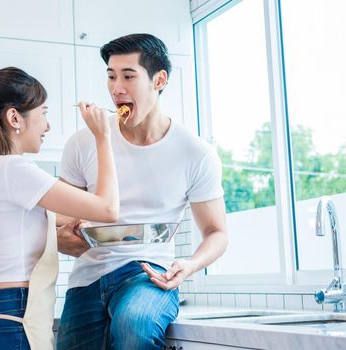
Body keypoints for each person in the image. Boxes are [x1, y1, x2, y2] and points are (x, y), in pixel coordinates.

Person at [56, 34, 228, 350]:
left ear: (159, 80)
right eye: (111, 76)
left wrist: (188, 266)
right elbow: (59, 219)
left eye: (128, 76)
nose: (116, 88)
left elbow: (217, 232)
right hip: (87, 279)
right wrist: (60, 237)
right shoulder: (83, 142)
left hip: (149, 275)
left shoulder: (195, 152)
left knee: (135, 325)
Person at [0, 66, 119, 349]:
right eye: (44, 113)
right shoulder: (13, 168)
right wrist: (102, 137)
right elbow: (107, 209)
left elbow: (45, 219)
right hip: (17, 317)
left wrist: (68, 228)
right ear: (15, 117)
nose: (48, 126)